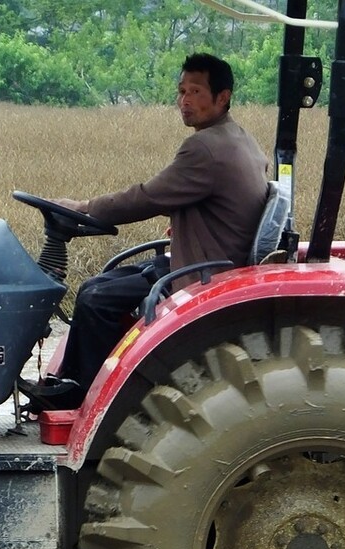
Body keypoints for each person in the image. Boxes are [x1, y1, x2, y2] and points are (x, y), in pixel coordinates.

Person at [26, 52, 270, 410]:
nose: (184, 101)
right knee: (96, 286)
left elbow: (145, 197)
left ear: (223, 97)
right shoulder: (238, 138)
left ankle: (85, 400)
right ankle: (73, 385)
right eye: (181, 91)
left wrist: (82, 208)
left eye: (196, 92)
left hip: (204, 273)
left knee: (96, 300)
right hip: (204, 260)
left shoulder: (205, 148)